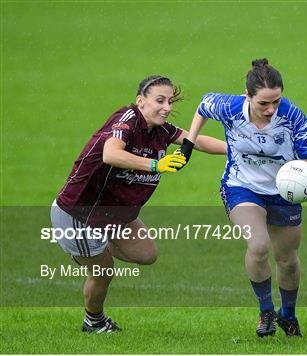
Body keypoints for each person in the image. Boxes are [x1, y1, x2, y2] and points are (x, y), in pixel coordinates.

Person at [51, 75, 227, 333]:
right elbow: (110, 154)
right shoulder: (128, 120)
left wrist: (237, 149)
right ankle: (94, 321)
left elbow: (194, 140)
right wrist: (157, 165)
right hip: (79, 213)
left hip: (115, 212)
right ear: (140, 101)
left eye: (169, 101)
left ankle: (92, 250)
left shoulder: (160, 130)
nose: (167, 107)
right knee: (103, 272)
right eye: (160, 100)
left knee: (146, 254)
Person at [181, 58, 307, 337]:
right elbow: (203, 105)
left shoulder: (291, 116)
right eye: (263, 103)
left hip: (284, 193)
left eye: (276, 101)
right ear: (247, 96)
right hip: (241, 186)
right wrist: (189, 141)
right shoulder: (231, 108)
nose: (271, 109)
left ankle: (288, 315)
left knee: (287, 259)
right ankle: (265, 311)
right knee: (258, 246)